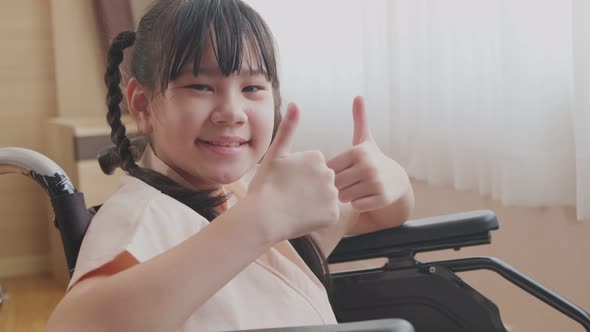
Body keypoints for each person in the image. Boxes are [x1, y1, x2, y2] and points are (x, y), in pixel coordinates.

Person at [45, 0, 414, 331]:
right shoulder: (140, 216)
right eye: (201, 87)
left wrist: (388, 179)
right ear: (142, 105)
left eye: (252, 88)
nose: (232, 113)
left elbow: (374, 215)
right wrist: (258, 222)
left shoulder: (244, 192)